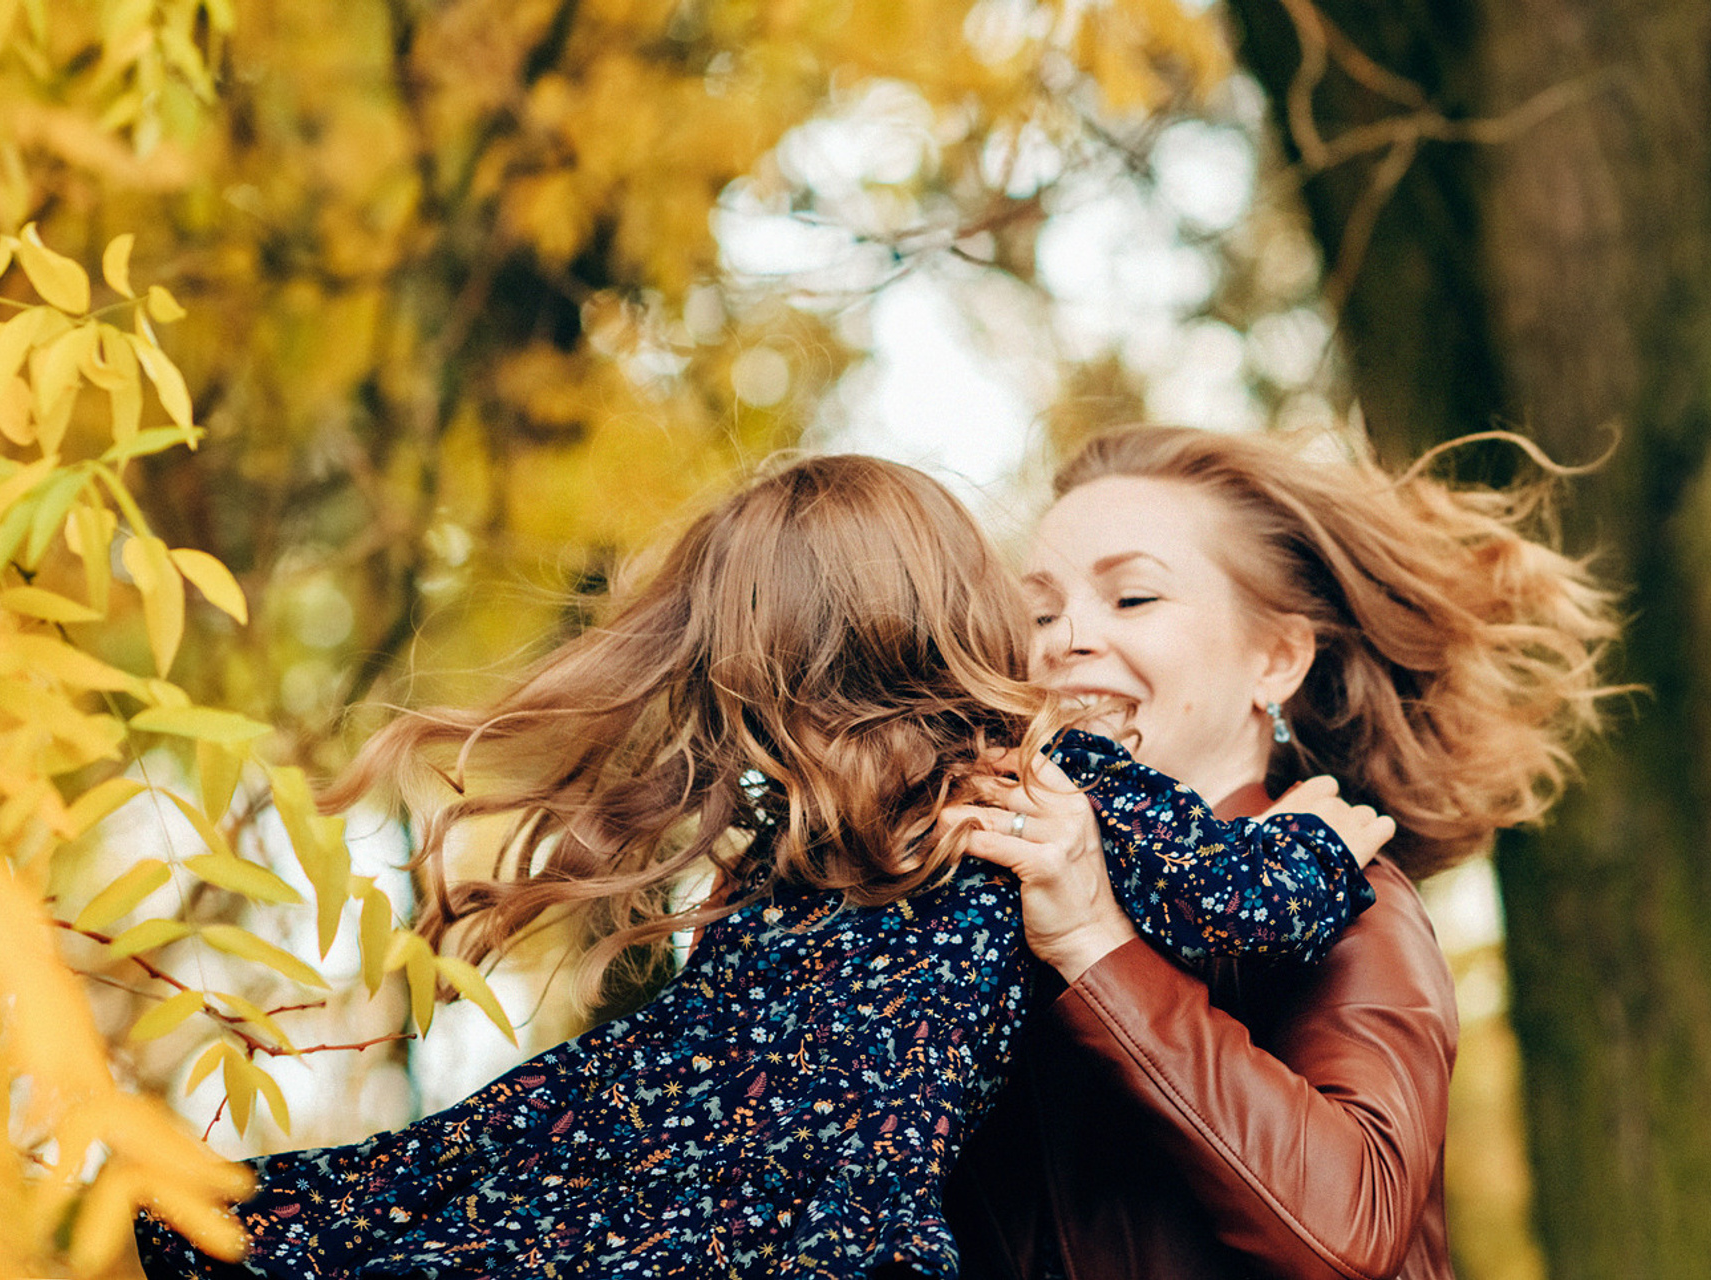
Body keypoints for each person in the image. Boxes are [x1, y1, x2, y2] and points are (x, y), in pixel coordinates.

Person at [135, 453, 1388, 1280]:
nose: (1060, 639)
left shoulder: (785, 817)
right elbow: (1249, 903)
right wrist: (1324, 839)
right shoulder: (1043, 778)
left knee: (422, 1196)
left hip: (652, 1125)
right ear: (959, 609)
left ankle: (155, 1213)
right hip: (829, 1221)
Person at [941, 426, 1619, 1280]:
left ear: (1278, 659)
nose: (1062, 638)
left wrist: (1094, 948)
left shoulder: (1355, 899)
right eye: (1038, 611)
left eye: (1133, 599)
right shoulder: (985, 911)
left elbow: (1351, 1228)